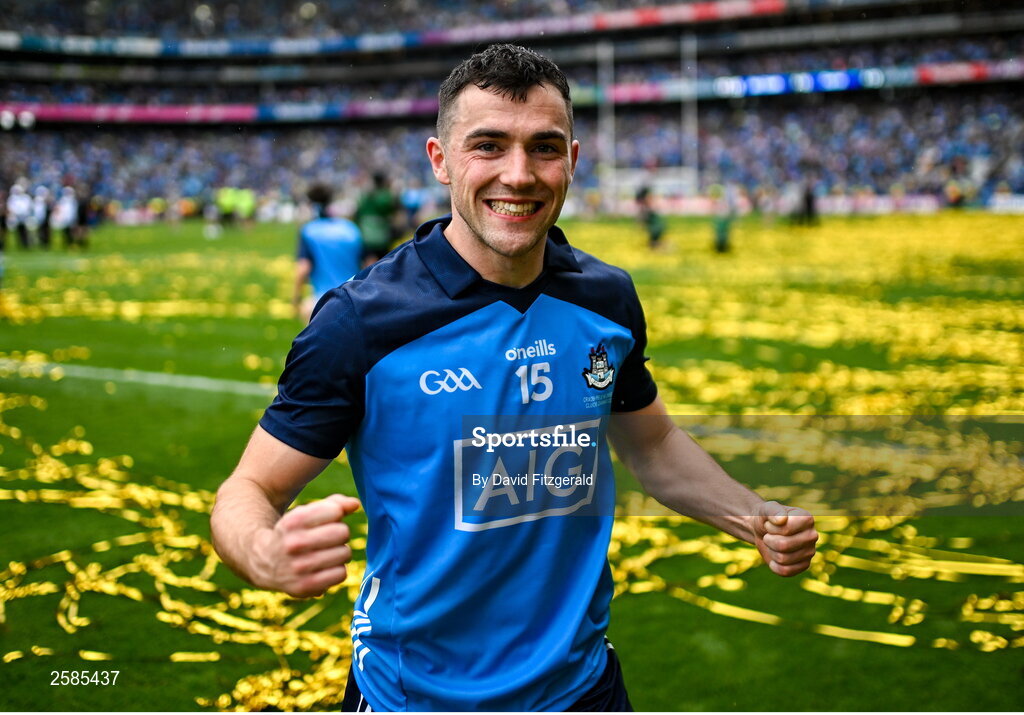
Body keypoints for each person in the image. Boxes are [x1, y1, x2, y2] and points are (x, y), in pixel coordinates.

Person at [210, 44, 817, 712]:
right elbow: (249, 489)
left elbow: (652, 446)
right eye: (489, 146)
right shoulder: (360, 323)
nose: (519, 174)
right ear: (440, 160)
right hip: (413, 697)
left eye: (544, 148)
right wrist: (263, 551)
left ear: (574, 161)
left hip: (584, 689)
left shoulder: (606, 300)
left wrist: (750, 515)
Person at [292, 183, 363, 322]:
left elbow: (303, 268)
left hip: (322, 302)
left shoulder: (309, 231)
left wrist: (296, 299)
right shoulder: (351, 229)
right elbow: (368, 263)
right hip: (355, 300)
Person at [353, 172, 399, 265]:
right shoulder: (386, 196)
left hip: (367, 235)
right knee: (384, 264)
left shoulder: (365, 195)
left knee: (369, 265)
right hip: (382, 237)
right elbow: (394, 211)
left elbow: (357, 213)